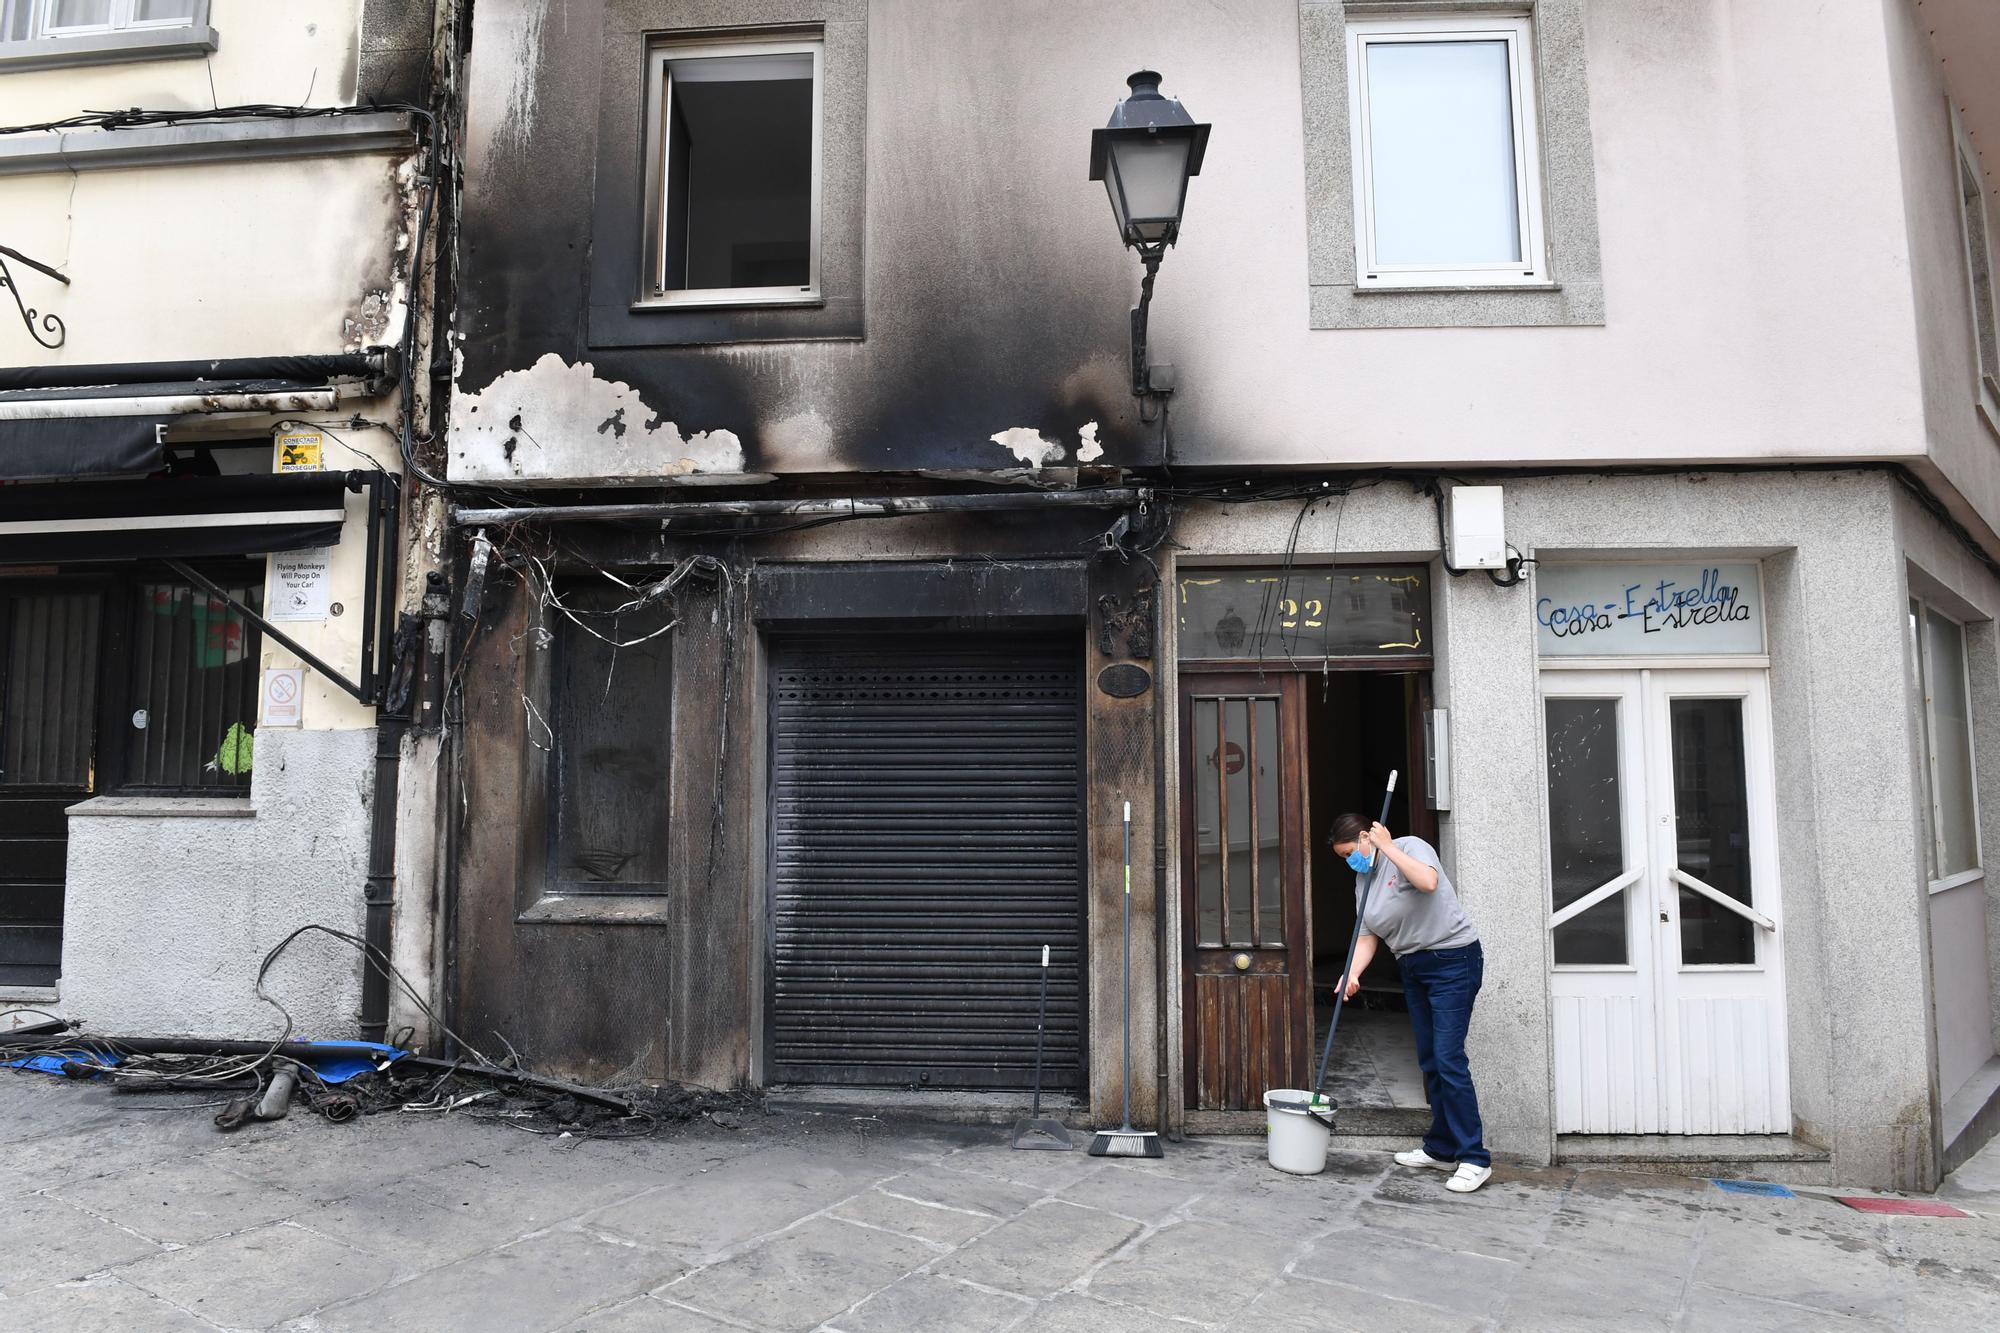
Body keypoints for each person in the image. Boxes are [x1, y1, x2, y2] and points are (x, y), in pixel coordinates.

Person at [1327, 812, 1491, 1193]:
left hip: (1453, 959)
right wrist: (1352, 972)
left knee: (1449, 1058)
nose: (1351, 861)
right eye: (1343, 858)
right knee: (1431, 1059)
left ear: (1368, 837)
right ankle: (1441, 1147)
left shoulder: (1409, 847)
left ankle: (1474, 1158)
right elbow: (1368, 934)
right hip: (1412, 965)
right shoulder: (1361, 879)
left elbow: (1428, 882)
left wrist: (1387, 846)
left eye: (1352, 852)